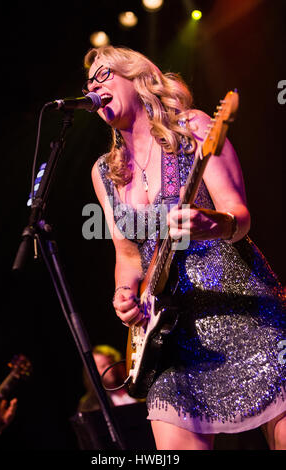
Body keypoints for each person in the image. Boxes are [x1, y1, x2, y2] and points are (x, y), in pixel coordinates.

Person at [84, 45, 286, 450]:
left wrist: (211, 224)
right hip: (170, 340)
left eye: (104, 74)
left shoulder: (191, 127)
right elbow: (126, 256)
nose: (93, 84)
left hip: (242, 310)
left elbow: (239, 217)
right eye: (89, 81)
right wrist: (124, 294)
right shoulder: (105, 172)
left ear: (137, 78)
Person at [77, 344, 137, 412]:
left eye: (110, 363)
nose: (110, 368)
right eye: (103, 366)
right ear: (92, 372)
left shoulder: (132, 389)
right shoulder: (90, 403)